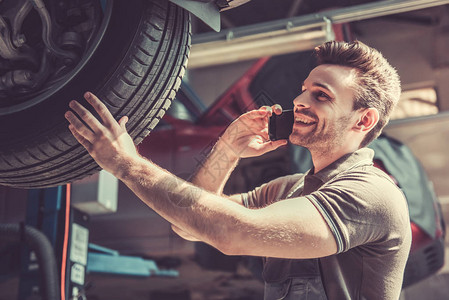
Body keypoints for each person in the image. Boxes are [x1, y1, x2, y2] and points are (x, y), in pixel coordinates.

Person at [65, 40, 411, 300]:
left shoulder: (371, 195)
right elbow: (188, 227)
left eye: (321, 95)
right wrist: (228, 149)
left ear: (364, 120)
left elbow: (233, 233)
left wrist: (126, 163)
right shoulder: (287, 190)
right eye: (304, 90)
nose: (299, 101)